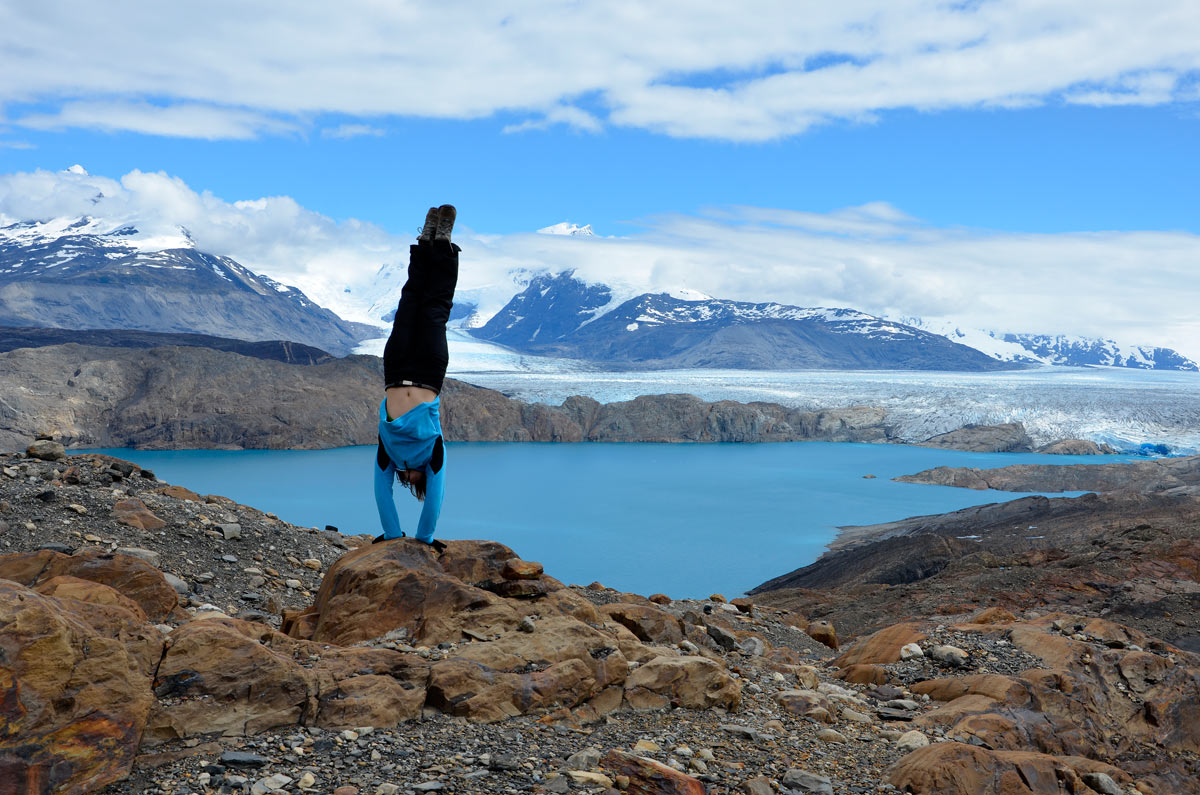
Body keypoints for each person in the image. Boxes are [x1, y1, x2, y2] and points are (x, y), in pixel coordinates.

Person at [373, 204, 458, 550]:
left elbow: (380, 494)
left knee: (409, 302)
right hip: (427, 373)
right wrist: (424, 539)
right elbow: (435, 502)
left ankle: (425, 242)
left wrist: (393, 535)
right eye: (414, 483)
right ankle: (445, 242)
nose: (408, 480)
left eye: (406, 482)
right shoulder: (433, 454)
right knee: (435, 308)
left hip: (396, 369)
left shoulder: (388, 455)